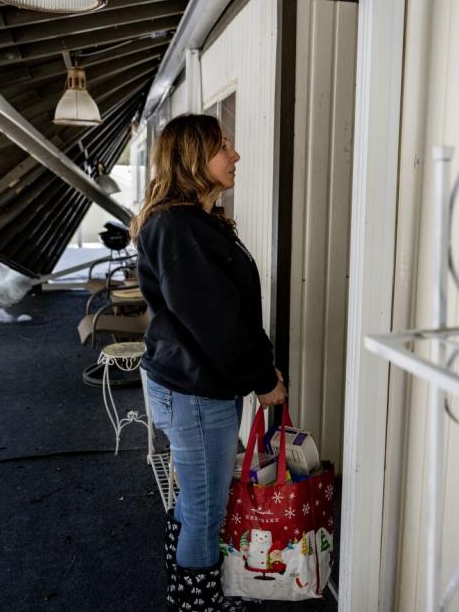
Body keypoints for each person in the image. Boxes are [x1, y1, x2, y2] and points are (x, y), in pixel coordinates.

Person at [131, 114, 287, 611]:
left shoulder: (194, 220)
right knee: (204, 508)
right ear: (195, 158)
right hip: (195, 392)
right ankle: (197, 604)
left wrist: (259, 366)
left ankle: (185, 589)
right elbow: (217, 322)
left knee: (195, 501)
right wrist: (263, 378)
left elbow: (224, 311)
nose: (234, 156)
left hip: (193, 384)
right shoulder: (179, 226)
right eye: (223, 147)